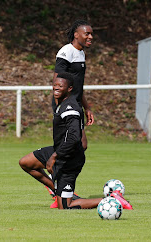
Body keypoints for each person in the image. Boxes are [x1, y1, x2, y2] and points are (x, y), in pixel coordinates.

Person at [19, 73, 132, 210]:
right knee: (26, 162)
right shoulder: (64, 104)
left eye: (60, 86)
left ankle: (111, 198)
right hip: (60, 151)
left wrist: (54, 157)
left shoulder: (70, 108)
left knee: (66, 206)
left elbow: (73, 137)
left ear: (70, 88)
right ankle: (57, 190)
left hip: (69, 159)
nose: (56, 88)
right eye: (55, 85)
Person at [44, 19, 95, 206]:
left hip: (74, 104)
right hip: (67, 105)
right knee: (76, 143)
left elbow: (77, 86)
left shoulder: (80, 54)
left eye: (91, 34)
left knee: (79, 145)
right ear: (76, 34)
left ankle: (60, 185)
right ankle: (57, 183)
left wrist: (86, 107)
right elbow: (58, 80)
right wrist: (61, 107)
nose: (90, 37)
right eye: (86, 33)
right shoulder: (66, 52)